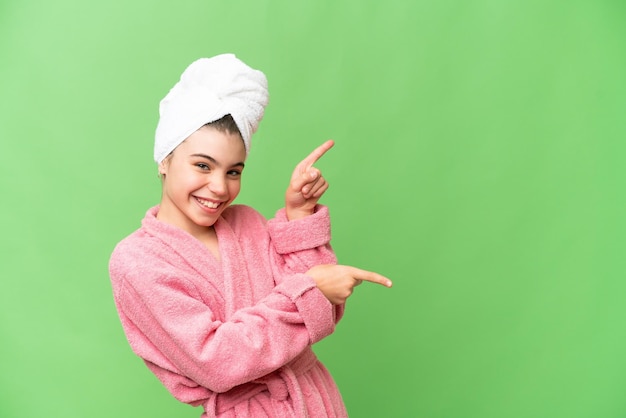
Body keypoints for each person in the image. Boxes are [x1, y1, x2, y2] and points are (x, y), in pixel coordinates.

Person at [109, 53, 392, 418]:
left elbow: (319, 313)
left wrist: (299, 215)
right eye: (202, 165)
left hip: (317, 402)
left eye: (233, 171)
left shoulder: (246, 223)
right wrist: (310, 291)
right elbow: (216, 362)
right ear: (164, 159)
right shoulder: (137, 261)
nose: (218, 187)